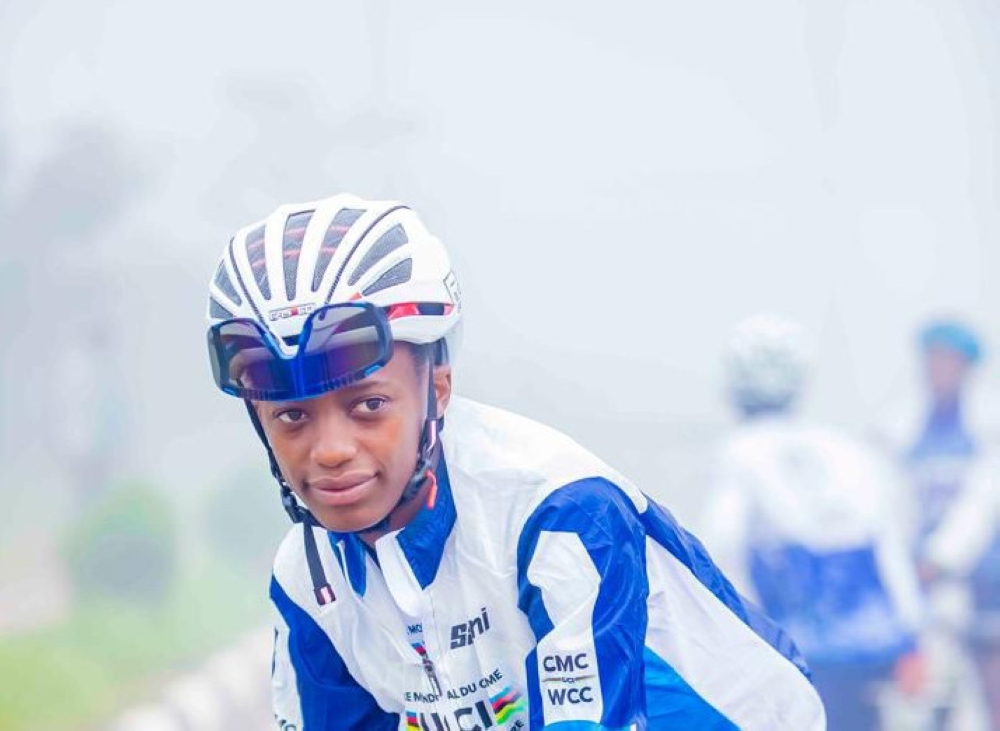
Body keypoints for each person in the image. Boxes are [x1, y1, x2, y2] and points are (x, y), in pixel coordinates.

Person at [205, 194, 825, 730]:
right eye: (292, 417)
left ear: (437, 389)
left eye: (368, 405)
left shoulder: (556, 510)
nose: (331, 451)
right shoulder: (307, 576)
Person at [699, 315, 923, 731]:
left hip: (793, 643)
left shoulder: (739, 451)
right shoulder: (847, 448)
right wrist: (913, 639)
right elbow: (888, 546)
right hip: (871, 644)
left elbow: (722, 548)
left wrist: (733, 640)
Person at [873, 319, 1000, 728]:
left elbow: (982, 505)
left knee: (991, 685)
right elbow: (891, 505)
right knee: (930, 690)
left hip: (985, 584)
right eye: (932, 360)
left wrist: (941, 560)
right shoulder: (904, 430)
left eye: (948, 361)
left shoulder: (987, 429)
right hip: (924, 586)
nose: (938, 370)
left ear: (966, 368)